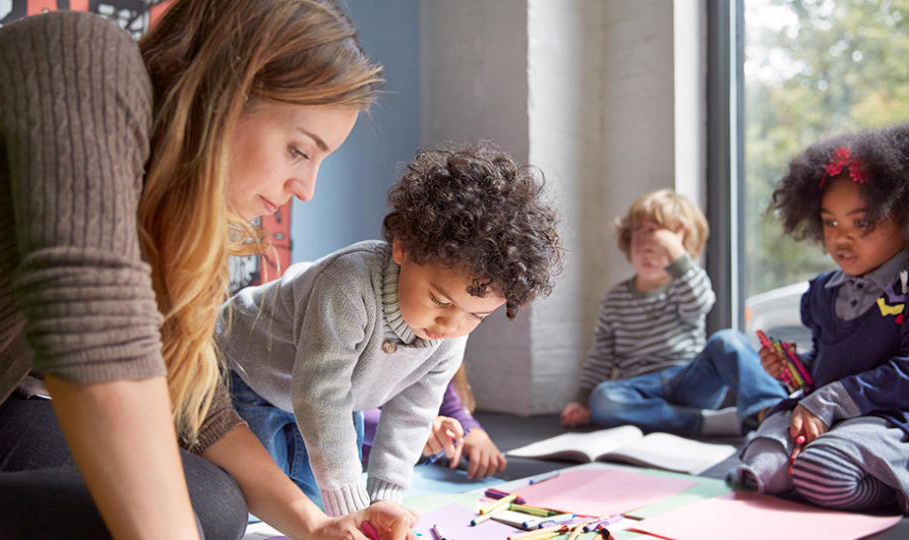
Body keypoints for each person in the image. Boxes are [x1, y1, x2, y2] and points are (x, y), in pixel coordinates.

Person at [0, 1, 423, 538]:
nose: (306, 190)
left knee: (214, 504)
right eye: (298, 150)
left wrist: (317, 524)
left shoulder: (165, 213)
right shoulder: (85, 61)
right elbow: (90, 335)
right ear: (223, 95)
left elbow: (199, 404)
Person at [218, 142, 562, 515]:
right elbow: (320, 396)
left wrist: (384, 500)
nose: (451, 326)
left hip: (337, 396)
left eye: (476, 316)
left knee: (319, 506)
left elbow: (413, 413)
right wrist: (353, 510)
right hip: (250, 372)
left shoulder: (452, 333)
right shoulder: (347, 285)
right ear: (403, 248)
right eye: (440, 301)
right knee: (263, 506)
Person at [728, 126, 909, 514]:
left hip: (888, 422)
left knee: (821, 470)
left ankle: (887, 484)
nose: (842, 239)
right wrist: (795, 369)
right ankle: (812, 473)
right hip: (828, 418)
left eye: (861, 223)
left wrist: (827, 401)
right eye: (830, 223)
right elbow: (827, 368)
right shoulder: (824, 292)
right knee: (760, 461)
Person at [560, 189, 786, 436]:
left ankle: (776, 411)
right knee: (604, 398)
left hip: (689, 380)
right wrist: (581, 400)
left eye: (658, 243)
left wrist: (675, 252)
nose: (648, 248)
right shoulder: (615, 299)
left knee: (728, 340)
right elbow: (600, 355)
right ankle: (703, 423)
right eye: (640, 236)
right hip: (641, 389)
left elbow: (700, 302)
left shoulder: (685, 286)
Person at [361, 365, 508, 480]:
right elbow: (345, 411)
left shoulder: (441, 343)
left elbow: (447, 402)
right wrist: (411, 426)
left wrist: (473, 431)